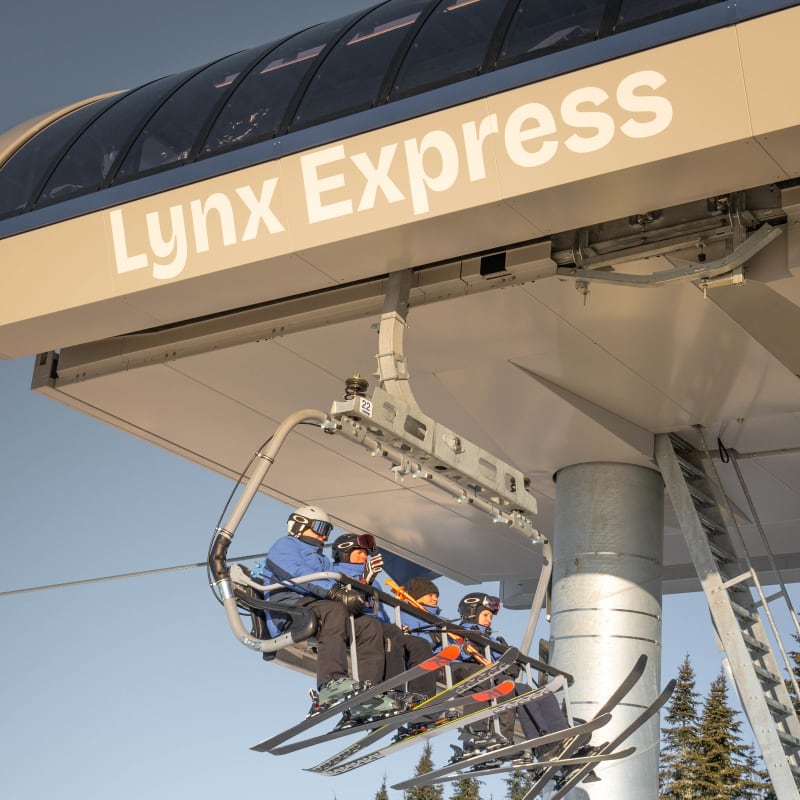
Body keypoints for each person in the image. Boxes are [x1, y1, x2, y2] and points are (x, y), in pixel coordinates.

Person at [253, 505, 401, 715]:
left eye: (328, 530)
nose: (325, 535)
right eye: (321, 528)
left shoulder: (322, 560)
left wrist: (361, 584)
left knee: (369, 625)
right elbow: (295, 573)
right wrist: (335, 592)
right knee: (334, 610)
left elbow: (340, 583)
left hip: (318, 608)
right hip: (290, 608)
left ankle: (369, 693)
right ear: (299, 525)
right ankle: (330, 683)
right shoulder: (286, 545)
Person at [452, 592, 572, 758]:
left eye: (491, 616)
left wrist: (510, 665)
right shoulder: (455, 633)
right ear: (471, 613)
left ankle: (556, 737)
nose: (489, 619)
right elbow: (447, 653)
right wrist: (466, 649)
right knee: (505, 684)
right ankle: (502, 737)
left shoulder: (491, 639)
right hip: (471, 679)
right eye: (485, 614)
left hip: (495, 679)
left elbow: (500, 663)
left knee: (535, 693)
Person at [331, 534, 437, 700]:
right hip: (353, 623)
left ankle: (422, 698)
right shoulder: (335, 574)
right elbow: (344, 604)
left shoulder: (375, 582)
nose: (364, 557)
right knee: (390, 634)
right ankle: (384, 691)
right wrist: (364, 581)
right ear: (344, 553)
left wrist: (395, 626)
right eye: (359, 553)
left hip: (378, 625)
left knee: (419, 644)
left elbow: (379, 612)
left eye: (366, 554)